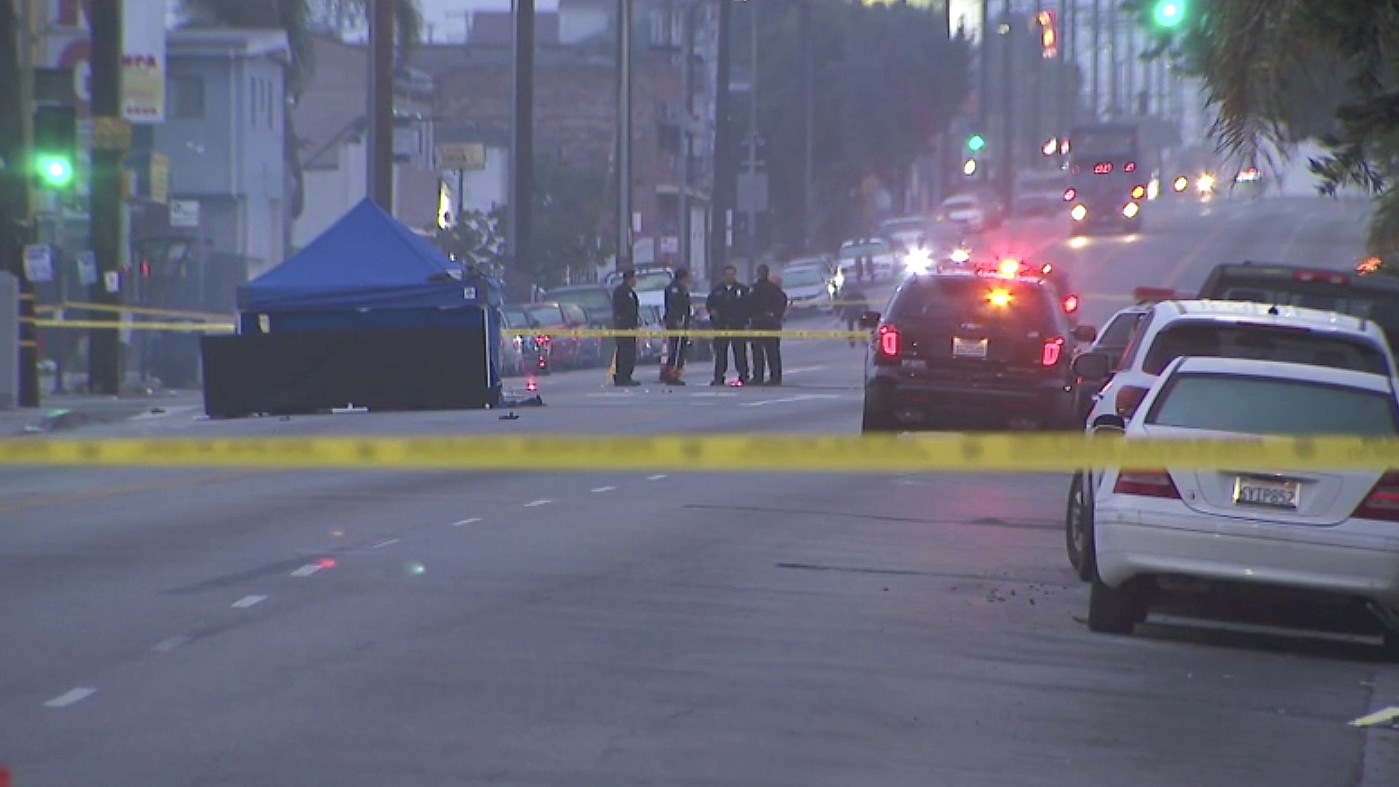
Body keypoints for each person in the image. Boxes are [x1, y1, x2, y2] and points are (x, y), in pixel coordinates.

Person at [706, 265, 751, 385]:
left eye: (732, 274)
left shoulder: (742, 290)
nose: (730, 277)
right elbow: (710, 305)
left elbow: (748, 306)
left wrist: (746, 321)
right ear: (723, 276)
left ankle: (744, 375)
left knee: (740, 352)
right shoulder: (717, 290)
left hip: (737, 325)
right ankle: (719, 377)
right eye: (727, 274)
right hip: (721, 326)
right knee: (720, 354)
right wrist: (713, 313)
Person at [749, 264, 788, 385]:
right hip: (763, 323)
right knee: (764, 352)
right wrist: (777, 315)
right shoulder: (765, 288)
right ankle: (770, 377)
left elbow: (782, 301)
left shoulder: (760, 289)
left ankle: (765, 377)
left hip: (765, 323)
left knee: (768, 352)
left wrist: (776, 315)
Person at [661, 267, 692, 385]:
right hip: (676, 324)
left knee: (681, 350)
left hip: (684, 323)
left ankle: (676, 373)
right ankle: (671, 374)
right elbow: (673, 306)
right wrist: (677, 320)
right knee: (676, 350)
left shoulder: (683, 288)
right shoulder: (674, 288)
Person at [611, 268, 641, 386]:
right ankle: (623, 376)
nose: (636, 280)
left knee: (627, 352)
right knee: (626, 352)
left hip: (629, 327)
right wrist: (626, 323)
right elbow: (622, 310)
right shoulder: (622, 292)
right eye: (634, 278)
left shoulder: (629, 292)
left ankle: (624, 376)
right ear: (630, 278)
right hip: (624, 327)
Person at [839, 279, 868, 349]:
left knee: (850, 328)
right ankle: (863, 341)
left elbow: (842, 306)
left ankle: (852, 342)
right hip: (858, 312)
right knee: (861, 327)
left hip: (850, 313)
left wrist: (841, 316)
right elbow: (865, 305)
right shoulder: (859, 294)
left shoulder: (846, 296)